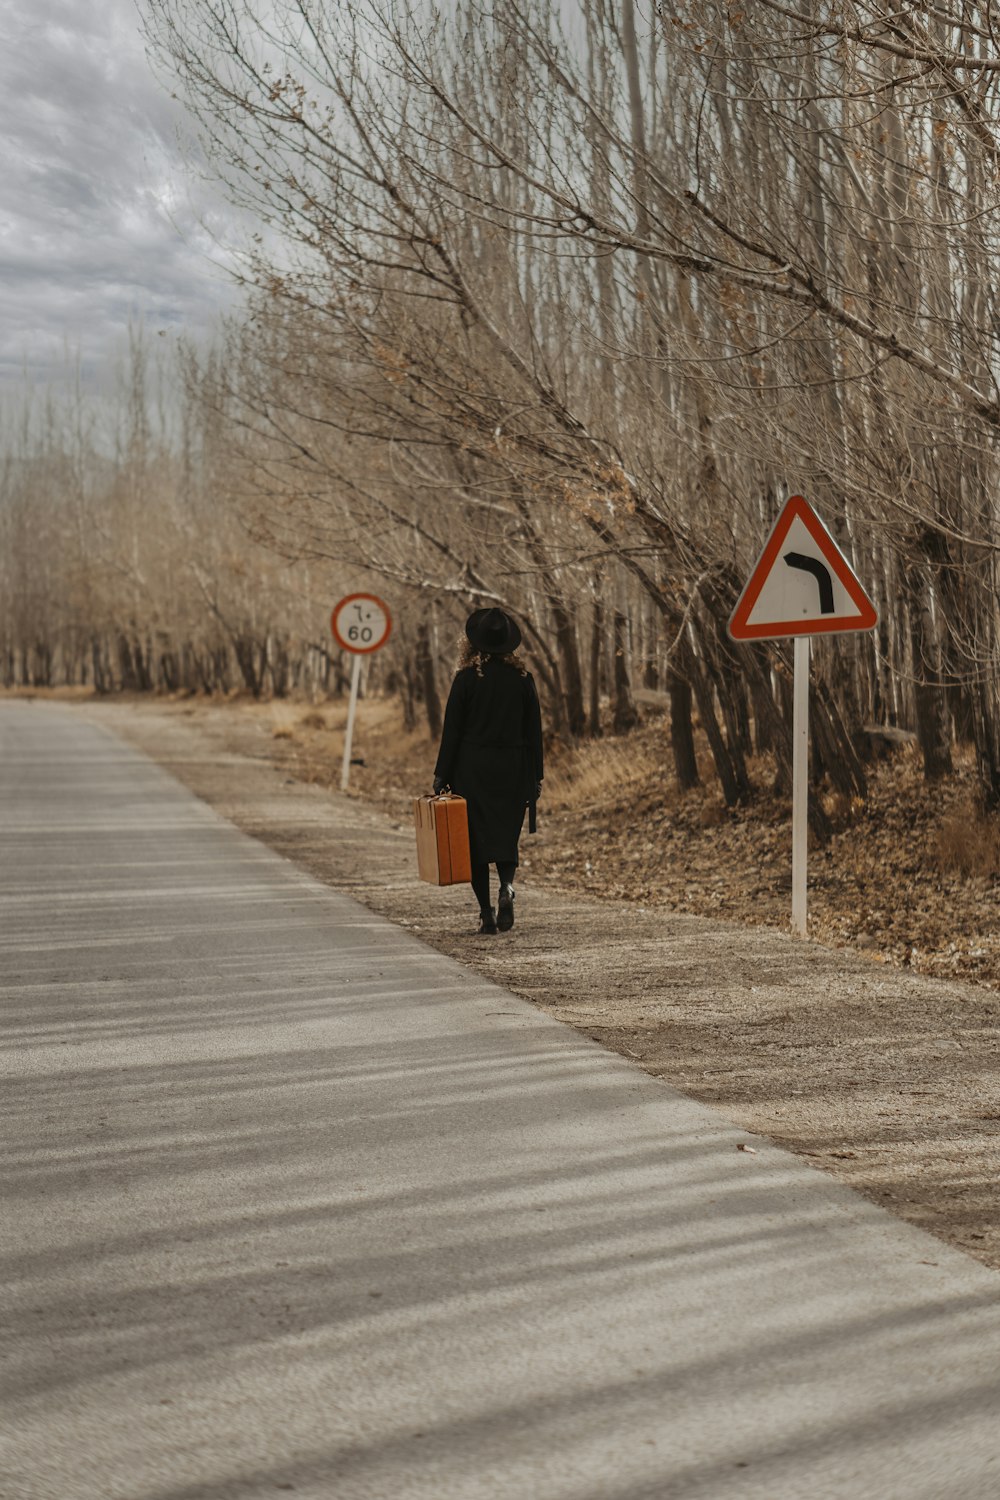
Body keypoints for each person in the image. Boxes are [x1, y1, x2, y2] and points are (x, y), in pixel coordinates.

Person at [433, 607, 543, 934]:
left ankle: (487, 913)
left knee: (476, 843)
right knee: (506, 837)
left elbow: (451, 730)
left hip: (472, 769)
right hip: (513, 768)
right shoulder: (524, 680)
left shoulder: (466, 679)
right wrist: (536, 775)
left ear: (473, 643)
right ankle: (507, 887)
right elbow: (533, 731)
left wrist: (442, 773)